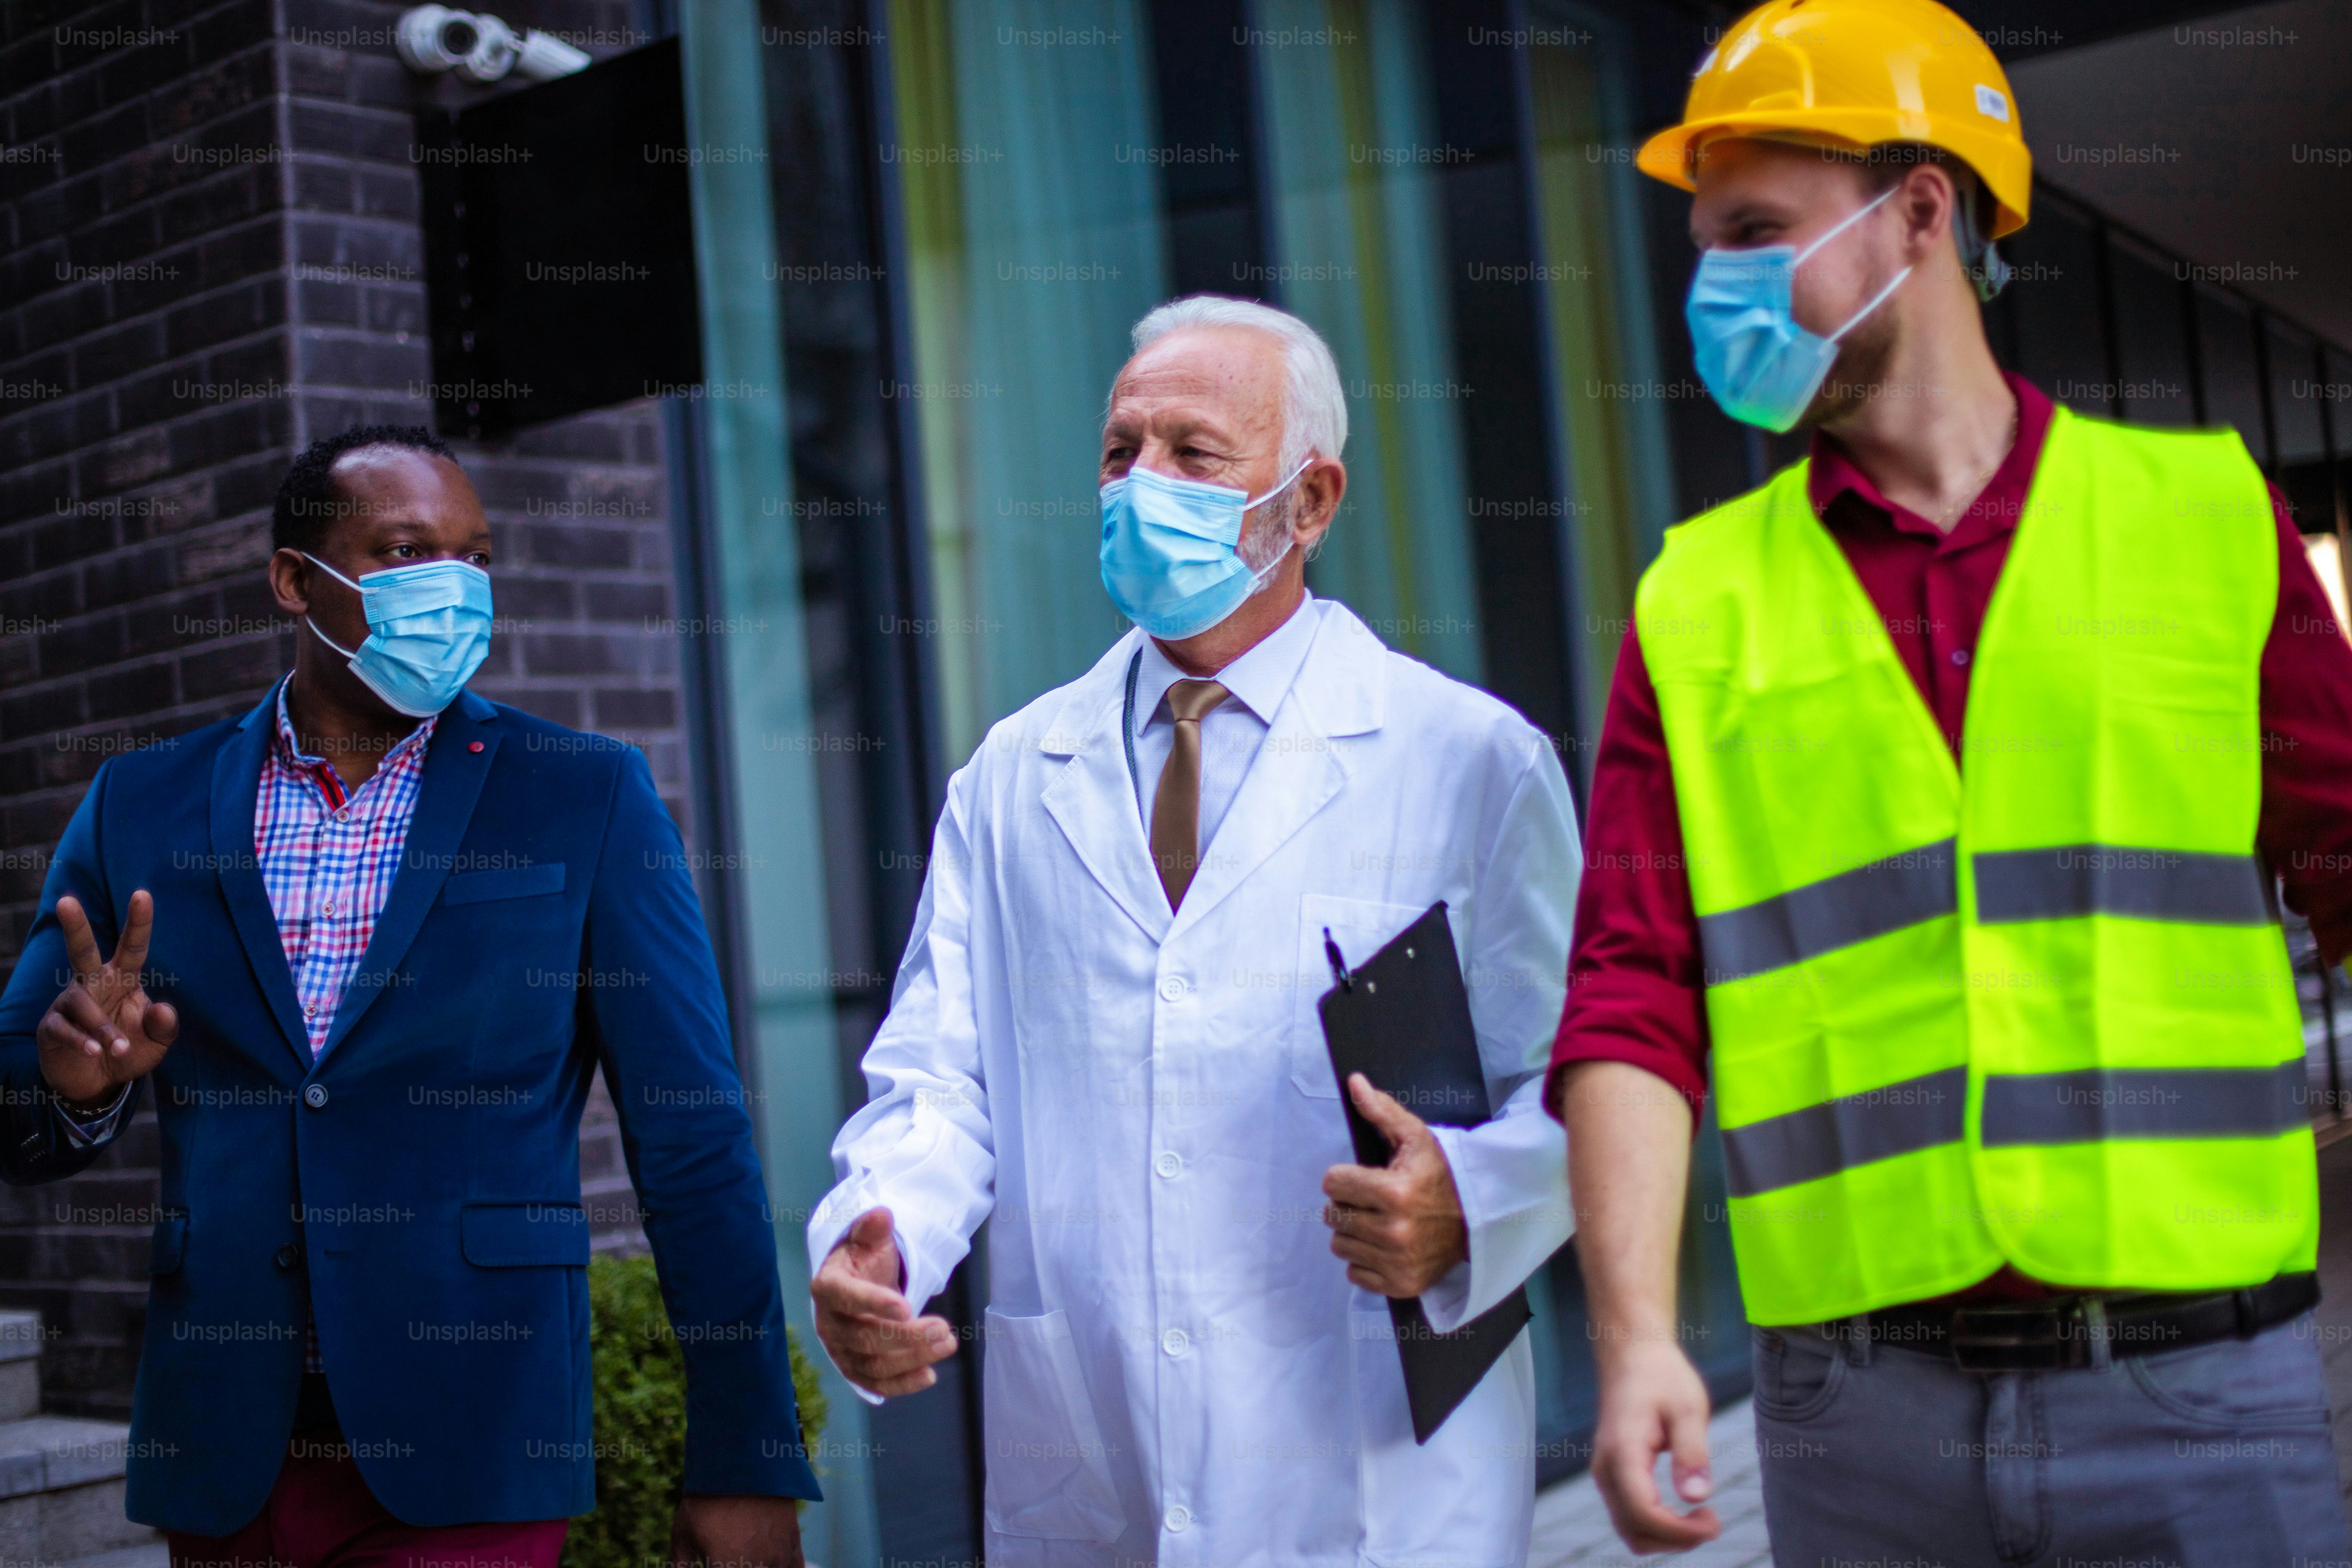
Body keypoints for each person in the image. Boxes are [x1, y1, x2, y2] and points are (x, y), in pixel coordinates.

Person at [1551, 2, 2352, 1562]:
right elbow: (1630, 994)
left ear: (1920, 209)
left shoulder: (2201, 519)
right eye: (1704, 242)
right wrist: (1638, 1337)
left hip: (2198, 1389)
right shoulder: (1694, 601)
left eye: (1756, 230)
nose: (1714, 284)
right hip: (1857, 1428)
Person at [807, 296, 1579, 1566]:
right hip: (1093, 1460)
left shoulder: (1466, 759)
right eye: (1121, 451)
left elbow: (1584, 1077)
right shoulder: (1013, 774)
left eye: (1191, 452)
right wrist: (881, 1228)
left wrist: (1474, 1206)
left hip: (1376, 1474)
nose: (1138, 484)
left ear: (1310, 501)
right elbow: (939, 1075)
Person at [0, 427, 818, 1563]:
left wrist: (744, 1453)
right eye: (403, 550)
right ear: (295, 580)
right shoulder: (139, 803)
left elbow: (692, 1143)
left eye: (474, 556)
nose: (455, 588)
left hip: (476, 1442)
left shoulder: (582, 796)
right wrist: (71, 1086)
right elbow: (21, 1124)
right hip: (229, 1447)